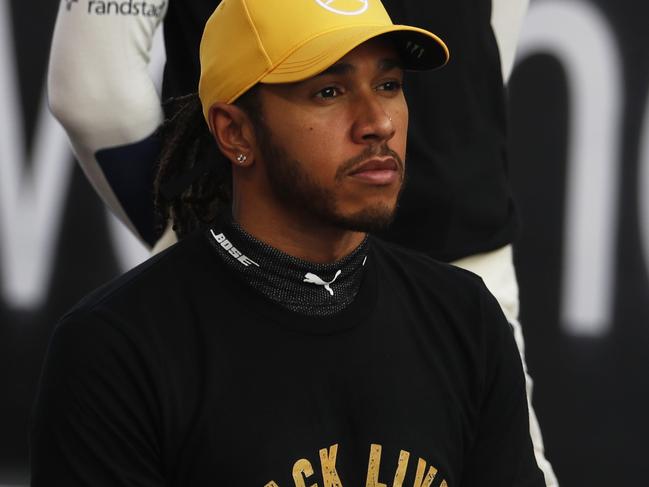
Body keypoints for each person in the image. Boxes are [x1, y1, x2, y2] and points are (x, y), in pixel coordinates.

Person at [32, 1, 545, 484]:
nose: (379, 124)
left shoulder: (470, 319)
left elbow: (92, 92)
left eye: (389, 84)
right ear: (234, 133)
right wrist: (187, 234)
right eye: (328, 91)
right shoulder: (116, 351)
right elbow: (90, 91)